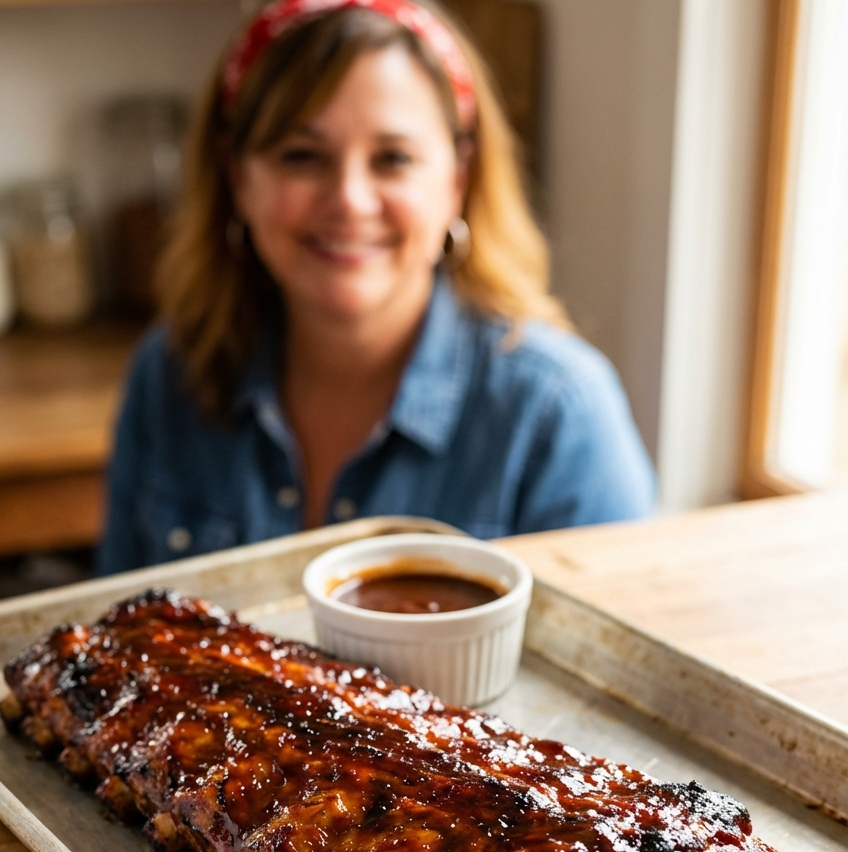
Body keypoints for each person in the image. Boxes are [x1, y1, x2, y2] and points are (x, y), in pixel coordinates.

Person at [98, 0, 654, 575]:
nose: (349, 201)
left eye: (393, 159)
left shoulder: (557, 414)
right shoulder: (169, 376)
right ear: (237, 177)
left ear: (457, 180)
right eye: (302, 156)